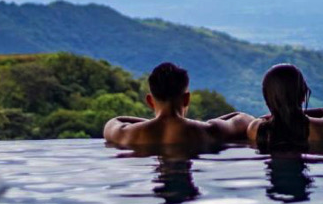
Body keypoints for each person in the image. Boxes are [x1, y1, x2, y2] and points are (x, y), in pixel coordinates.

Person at [103, 62, 253, 148]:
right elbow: (243, 119)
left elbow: (113, 123)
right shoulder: (209, 131)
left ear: (150, 101)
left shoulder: (127, 134)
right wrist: (207, 123)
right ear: (186, 99)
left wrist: (152, 124)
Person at [247, 63, 323, 151]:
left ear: (267, 100)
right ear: (303, 96)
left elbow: (265, 119)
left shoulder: (255, 129)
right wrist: (314, 112)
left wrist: (283, 111)